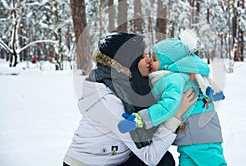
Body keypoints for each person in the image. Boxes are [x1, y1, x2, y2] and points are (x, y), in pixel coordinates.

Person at [63, 33, 198, 166]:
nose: (148, 60)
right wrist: (176, 115)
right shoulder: (109, 101)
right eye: (142, 57)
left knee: (165, 159)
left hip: (116, 159)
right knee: (163, 162)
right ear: (129, 62)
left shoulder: (128, 88)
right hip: (87, 164)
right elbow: (149, 156)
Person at [118, 38, 227, 166]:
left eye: (154, 59)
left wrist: (140, 119)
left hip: (200, 135)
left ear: (167, 62)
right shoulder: (174, 77)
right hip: (193, 136)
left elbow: (168, 106)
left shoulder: (173, 78)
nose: (150, 63)